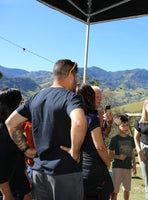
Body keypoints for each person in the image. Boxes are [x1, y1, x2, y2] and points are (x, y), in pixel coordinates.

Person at [5, 59, 87, 200]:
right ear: (71, 75)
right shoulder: (71, 98)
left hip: (39, 172)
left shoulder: (35, 98)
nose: (76, 81)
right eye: (76, 76)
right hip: (65, 172)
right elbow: (79, 123)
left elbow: (11, 122)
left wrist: (26, 149)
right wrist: (75, 150)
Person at [76, 83, 114, 200]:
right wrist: (107, 163)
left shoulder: (75, 115)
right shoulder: (91, 117)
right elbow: (100, 146)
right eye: (96, 96)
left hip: (78, 166)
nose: (99, 99)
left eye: (100, 96)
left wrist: (109, 124)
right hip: (92, 166)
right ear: (89, 98)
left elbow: (104, 136)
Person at [0, 88, 32, 200]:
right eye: (21, 102)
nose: (22, 106)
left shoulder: (13, 127)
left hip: (19, 182)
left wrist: (26, 176)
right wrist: (6, 194)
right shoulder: (3, 131)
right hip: (10, 187)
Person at [109, 115, 136, 200]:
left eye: (127, 125)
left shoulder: (131, 138)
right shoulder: (114, 139)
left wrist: (134, 164)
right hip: (117, 168)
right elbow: (110, 154)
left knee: (127, 190)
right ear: (117, 127)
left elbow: (132, 151)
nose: (126, 127)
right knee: (115, 191)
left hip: (128, 167)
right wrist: (118, 157)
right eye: (123, 125)